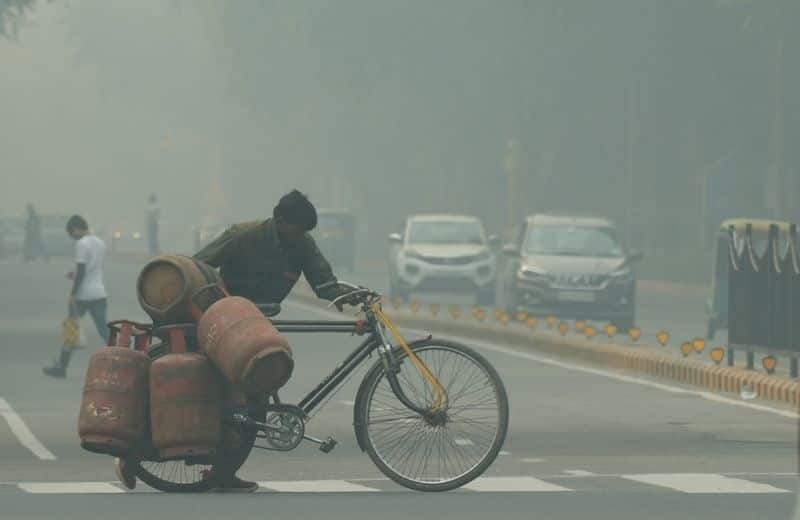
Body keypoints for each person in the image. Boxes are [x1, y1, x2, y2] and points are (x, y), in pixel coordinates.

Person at [115, 190, 356, 493]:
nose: (300, 236)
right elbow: (197, 268)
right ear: (279, 219)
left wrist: (350, 296)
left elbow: (323, 283)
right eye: (296, 229)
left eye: (304, 232)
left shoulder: (303, 244)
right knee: (218, 399)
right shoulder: (244, 235)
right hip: (224, 323)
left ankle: (222, 473)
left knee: (253, 402)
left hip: (258, 326)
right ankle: (134, 454)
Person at [43, 215, 109, 378]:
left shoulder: (82, 244)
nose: (73, 237)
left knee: (71, 329)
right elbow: (91, 269)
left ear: (76, 229)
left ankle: (62, 367)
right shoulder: (100, 243)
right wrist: (75, 275)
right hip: (99, 293)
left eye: (72, 233)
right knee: (105, 331)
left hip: (83, 295)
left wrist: (73, 293)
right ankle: (124, 359)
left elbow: (81, 271)